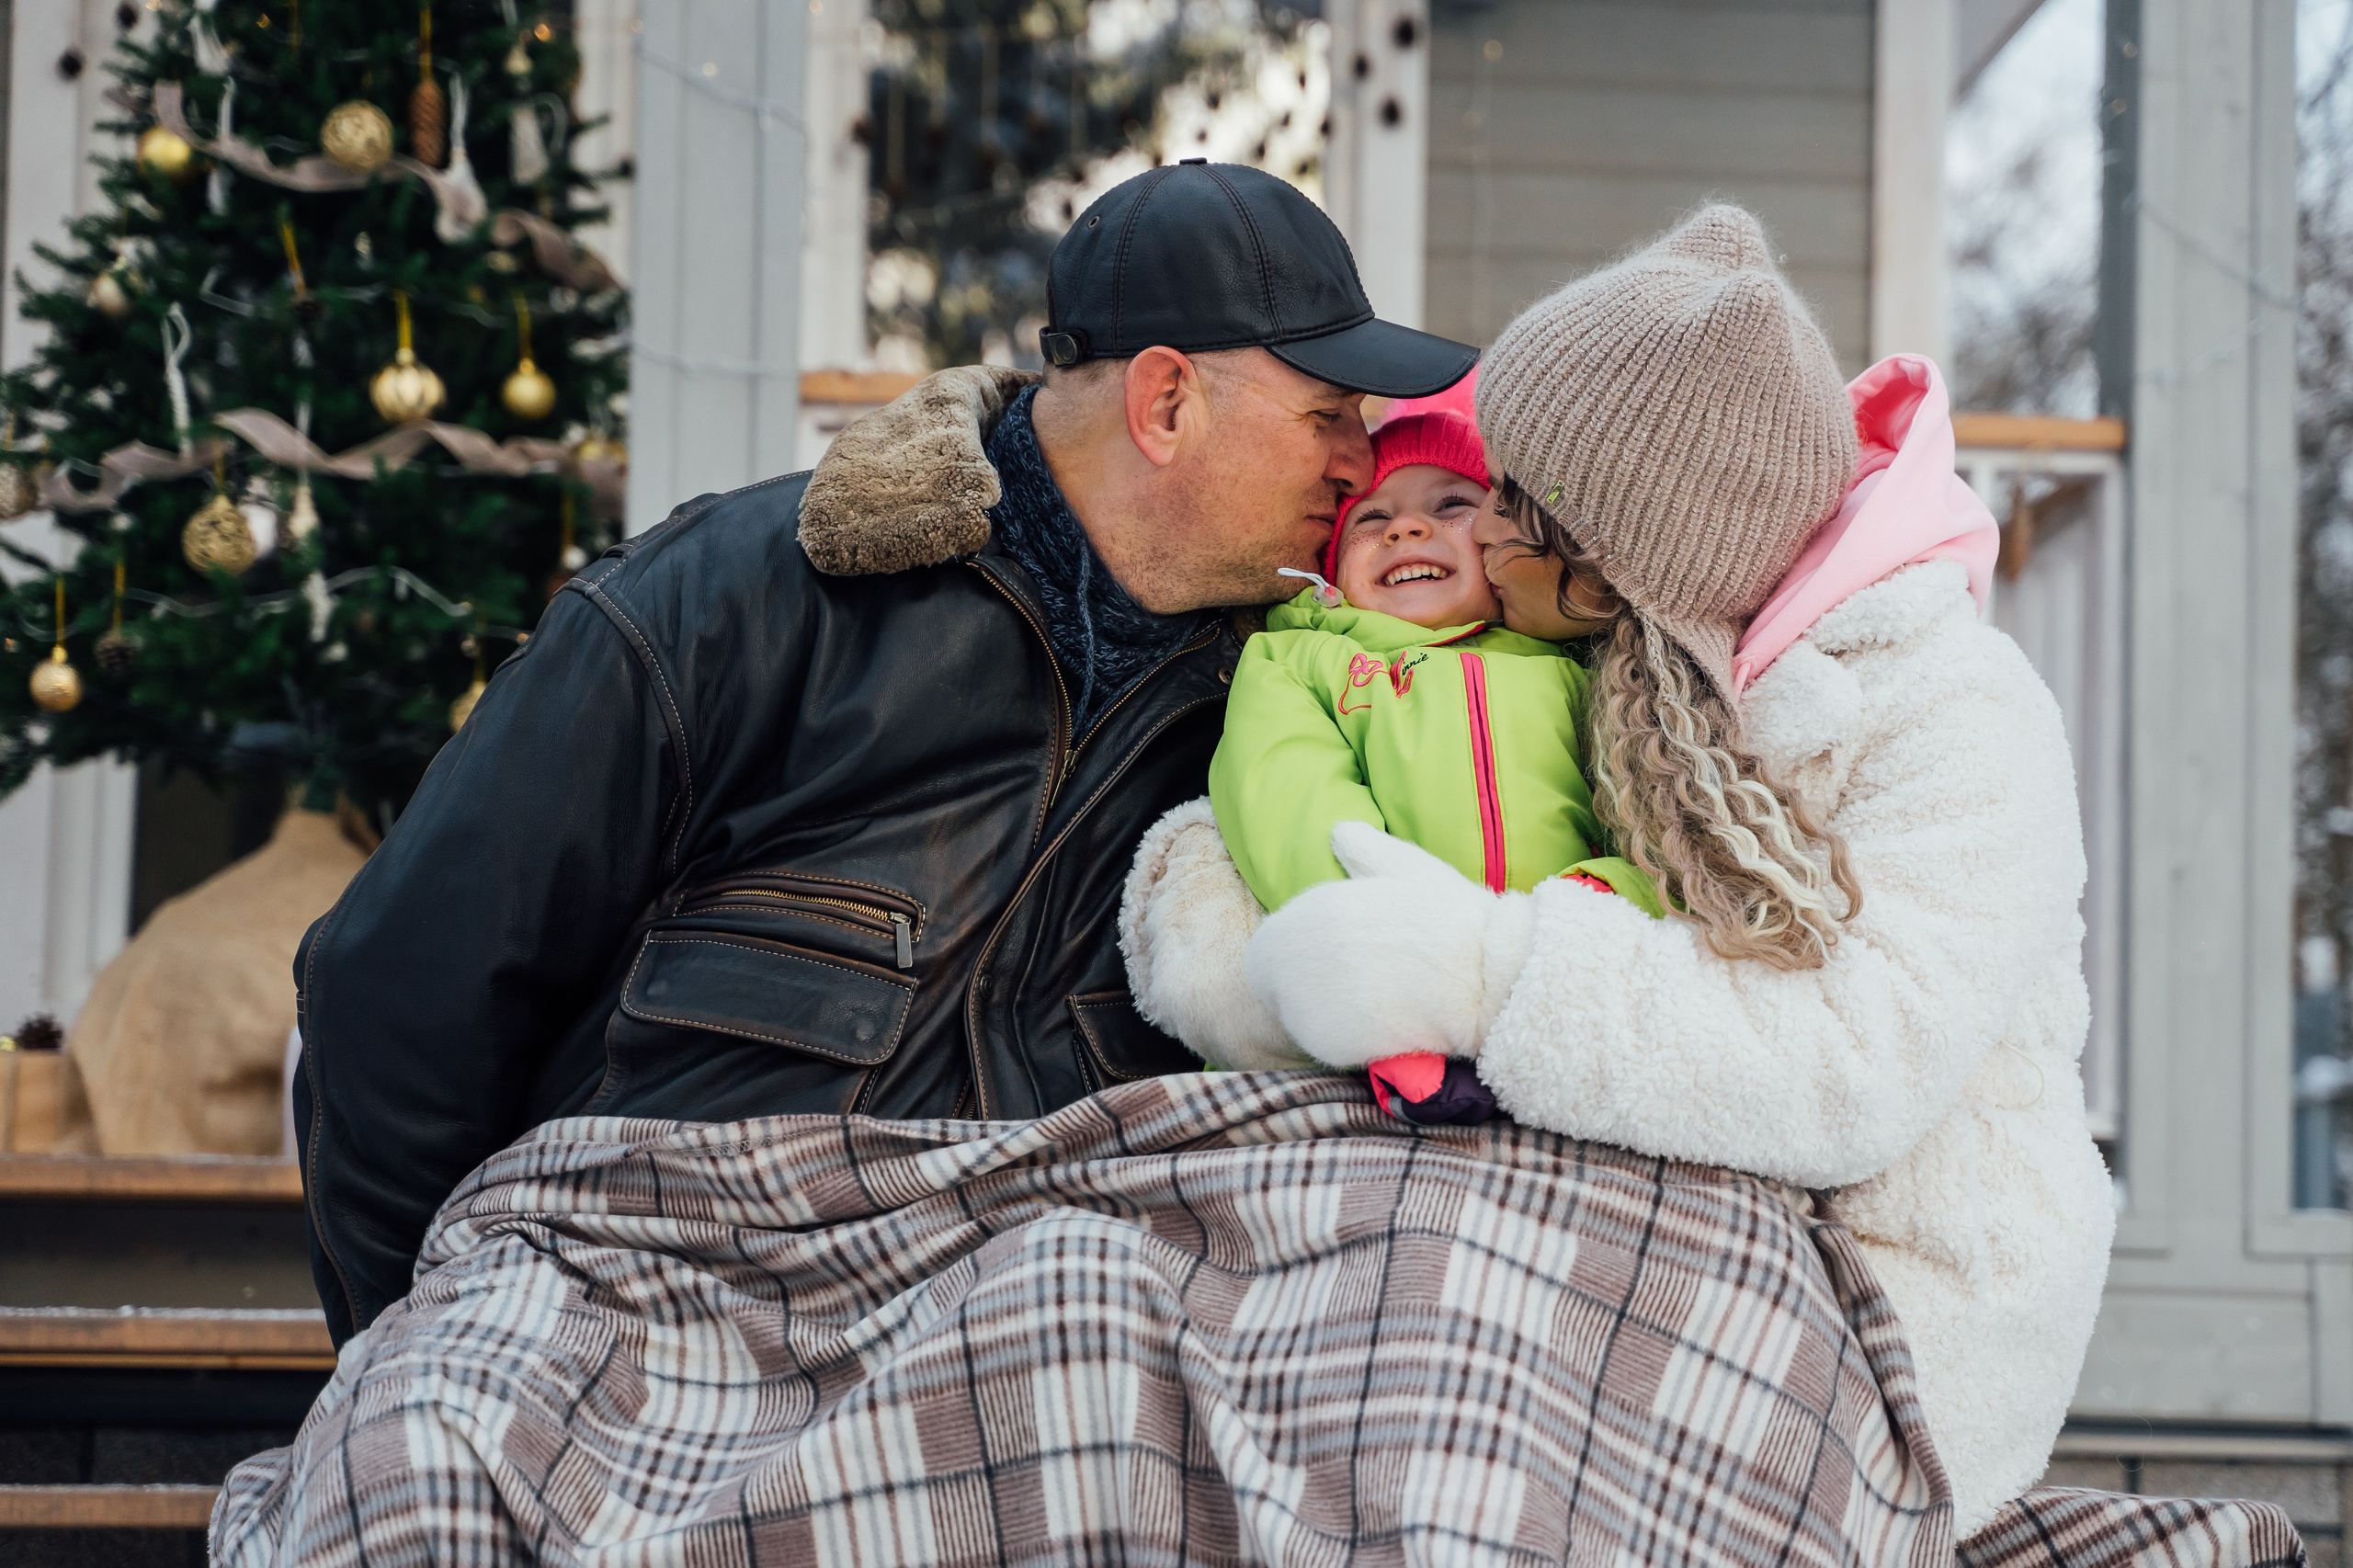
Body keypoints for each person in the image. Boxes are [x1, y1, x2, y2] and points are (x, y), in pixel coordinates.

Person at [287, 160, 1477, 1344]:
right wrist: (420, 1343)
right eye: (1328, 415)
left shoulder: (1296, 710)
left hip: (1016, 1375)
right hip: (638, 1328)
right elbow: (398, 995)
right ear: (1165, 403)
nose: (1360, 462)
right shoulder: (728, 604)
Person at [1121, 204, 2116, 1538]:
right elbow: (1387, 793)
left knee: (1427, 1384)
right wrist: (1236, 921)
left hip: (1883, 1294)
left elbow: (1853, 1061)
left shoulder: (1955, 712)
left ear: (1617, 552)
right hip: (1639, 1199)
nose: (1477, 526)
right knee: (1254, 1346)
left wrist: (1483, 974)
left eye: (1511, 501)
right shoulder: (1633, 653)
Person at [1202, 408, 1659, 1123]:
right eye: (1371, 518)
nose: (1406, 529)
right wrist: (1389, 956)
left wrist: (1600, 896)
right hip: (1371, 977)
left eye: (1451, 506)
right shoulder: (1301, 659)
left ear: (1506, 544)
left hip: (1554, 967)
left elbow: (1651, 821)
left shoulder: (1573, 664)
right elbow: (1287, 800)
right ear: (1330, 575)